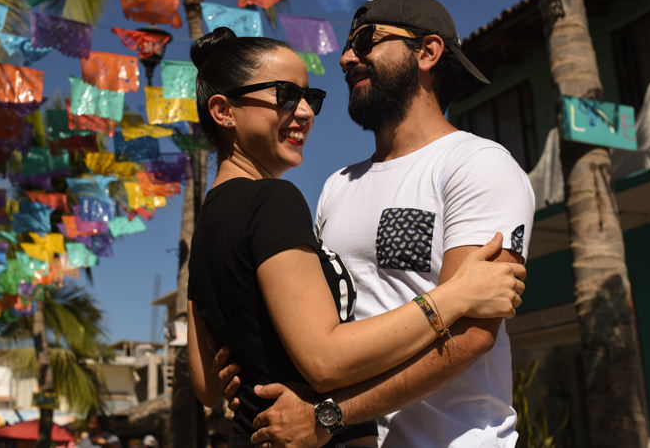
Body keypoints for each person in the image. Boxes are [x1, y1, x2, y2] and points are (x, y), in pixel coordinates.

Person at [186, 26, 527, 445]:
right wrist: (454, 296)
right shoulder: (275, 200)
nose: (306, 111)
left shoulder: (207, 222)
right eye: (285, 94)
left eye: (310, 97)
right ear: (224, 112)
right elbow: (324, 360)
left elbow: (205, 383)